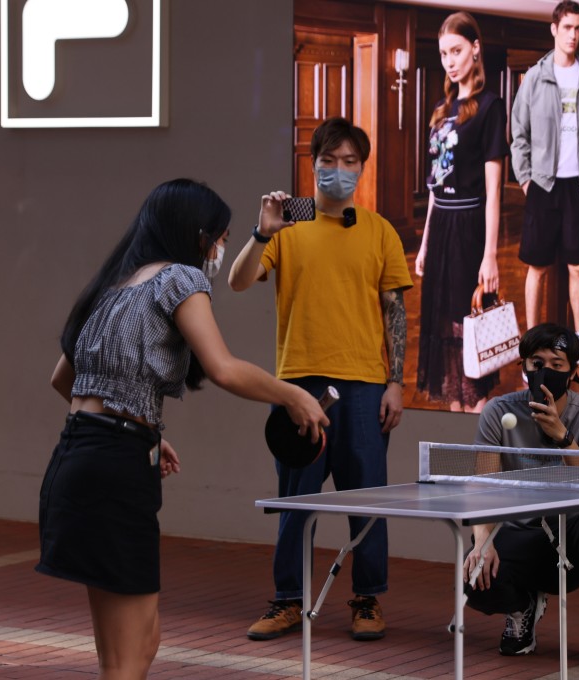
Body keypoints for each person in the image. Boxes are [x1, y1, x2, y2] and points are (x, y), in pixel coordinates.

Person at [38, 178, 328, 679]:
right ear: (197, 235)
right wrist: (293, 394)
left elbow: (63, 379)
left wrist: (144, 427)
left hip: (75, 459)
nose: (219, 249)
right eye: (219, 237)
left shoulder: (113, 286)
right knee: (132, 655)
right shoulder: (179, 279)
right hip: (114, 469)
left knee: (125, 649)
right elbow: (223, 368)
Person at [228, 118, 412, 642]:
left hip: (363, 385)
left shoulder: (379, 231)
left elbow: (393, 308)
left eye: (350, 162)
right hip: (296, 386)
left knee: (368, 500)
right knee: (295, 498)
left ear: (362, 168)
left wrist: (395, 382)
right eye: (328, 161)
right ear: (313, 165)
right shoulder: (286, 228)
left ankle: (367, 599)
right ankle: (289, 600)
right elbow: (238, 282)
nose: (339, 171)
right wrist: (262, 230)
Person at [463, 323, 579, 674]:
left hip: (571, 537)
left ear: (572, 371)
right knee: (474, 580)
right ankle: (521, 605)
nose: (545, 372)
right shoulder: (497, 411)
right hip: (519, 534)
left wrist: (561, 435)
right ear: (523, 366)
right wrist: (482, 541)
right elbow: (482, 484)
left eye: (557, 364)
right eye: (536, 362)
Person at [511, 1, 579, 379]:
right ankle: (531, 346)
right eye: (567, 27)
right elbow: (518, 131)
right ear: (554, 29)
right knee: (537, 268)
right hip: (542, 184)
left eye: (578, 28)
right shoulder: (536, 77)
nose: (573, 34)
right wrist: (525, 178)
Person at [415, 11, 509, 413]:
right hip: (441, 229)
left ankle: (476, 414)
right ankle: (456, 411)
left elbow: (494, 191)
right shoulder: (440, 109)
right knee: (444, 329)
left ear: (475, 49)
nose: (450, 61)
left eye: (456, 51)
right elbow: (435, 187)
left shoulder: (490, 107)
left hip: (470, 229)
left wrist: (490, 254)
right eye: (443, 54)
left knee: (468, 325)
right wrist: (423, 244)